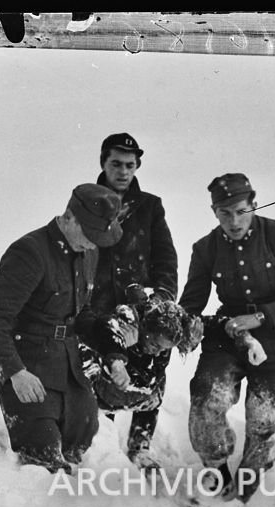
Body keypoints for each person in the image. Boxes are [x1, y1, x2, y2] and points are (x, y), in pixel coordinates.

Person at [179, 173, 275, 500]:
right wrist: (186, 326)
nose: (233, 221)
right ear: (214, 211)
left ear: (254, 205)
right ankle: (215, 464)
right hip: (228, 336)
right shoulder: (205, 248)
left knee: (264, 416)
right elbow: (192, 303)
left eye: (241, 211)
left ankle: (254, 472)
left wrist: (259, 317)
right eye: (224, 213)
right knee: (206, 394)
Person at [0, 183, 123, 472]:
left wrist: (114, 354)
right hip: (27, 365)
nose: (93, 244)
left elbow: (83, 315)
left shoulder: (87, 252)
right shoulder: (30, 252)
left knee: (84, 434)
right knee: (43, 458)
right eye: (90, 235)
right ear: (69, 218)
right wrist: (15, 372)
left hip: (66, 365)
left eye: (98, 239)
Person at [92, 132, 179, 469]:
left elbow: (165, 259)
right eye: (116, 163)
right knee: (105, 372)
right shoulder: (86, 200)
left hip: (141, 308)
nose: (123, 171)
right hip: (99, 308)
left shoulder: (150, 207)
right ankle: (104, 443)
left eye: (130, 165)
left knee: (153, 369)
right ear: (103, 162)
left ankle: (140, 445)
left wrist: (160, 300)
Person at [78, 285, 202, 463]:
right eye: (156, 345)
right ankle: (103, 443)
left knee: (155, 392)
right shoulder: (127, 322)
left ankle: (140, 444)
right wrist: (117, 356)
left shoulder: (165, 338)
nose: (159, 352)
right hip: (107, 387)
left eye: (165, 349)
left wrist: (190, 342)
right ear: (145, 328)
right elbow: (106, 326)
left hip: (142, 390)